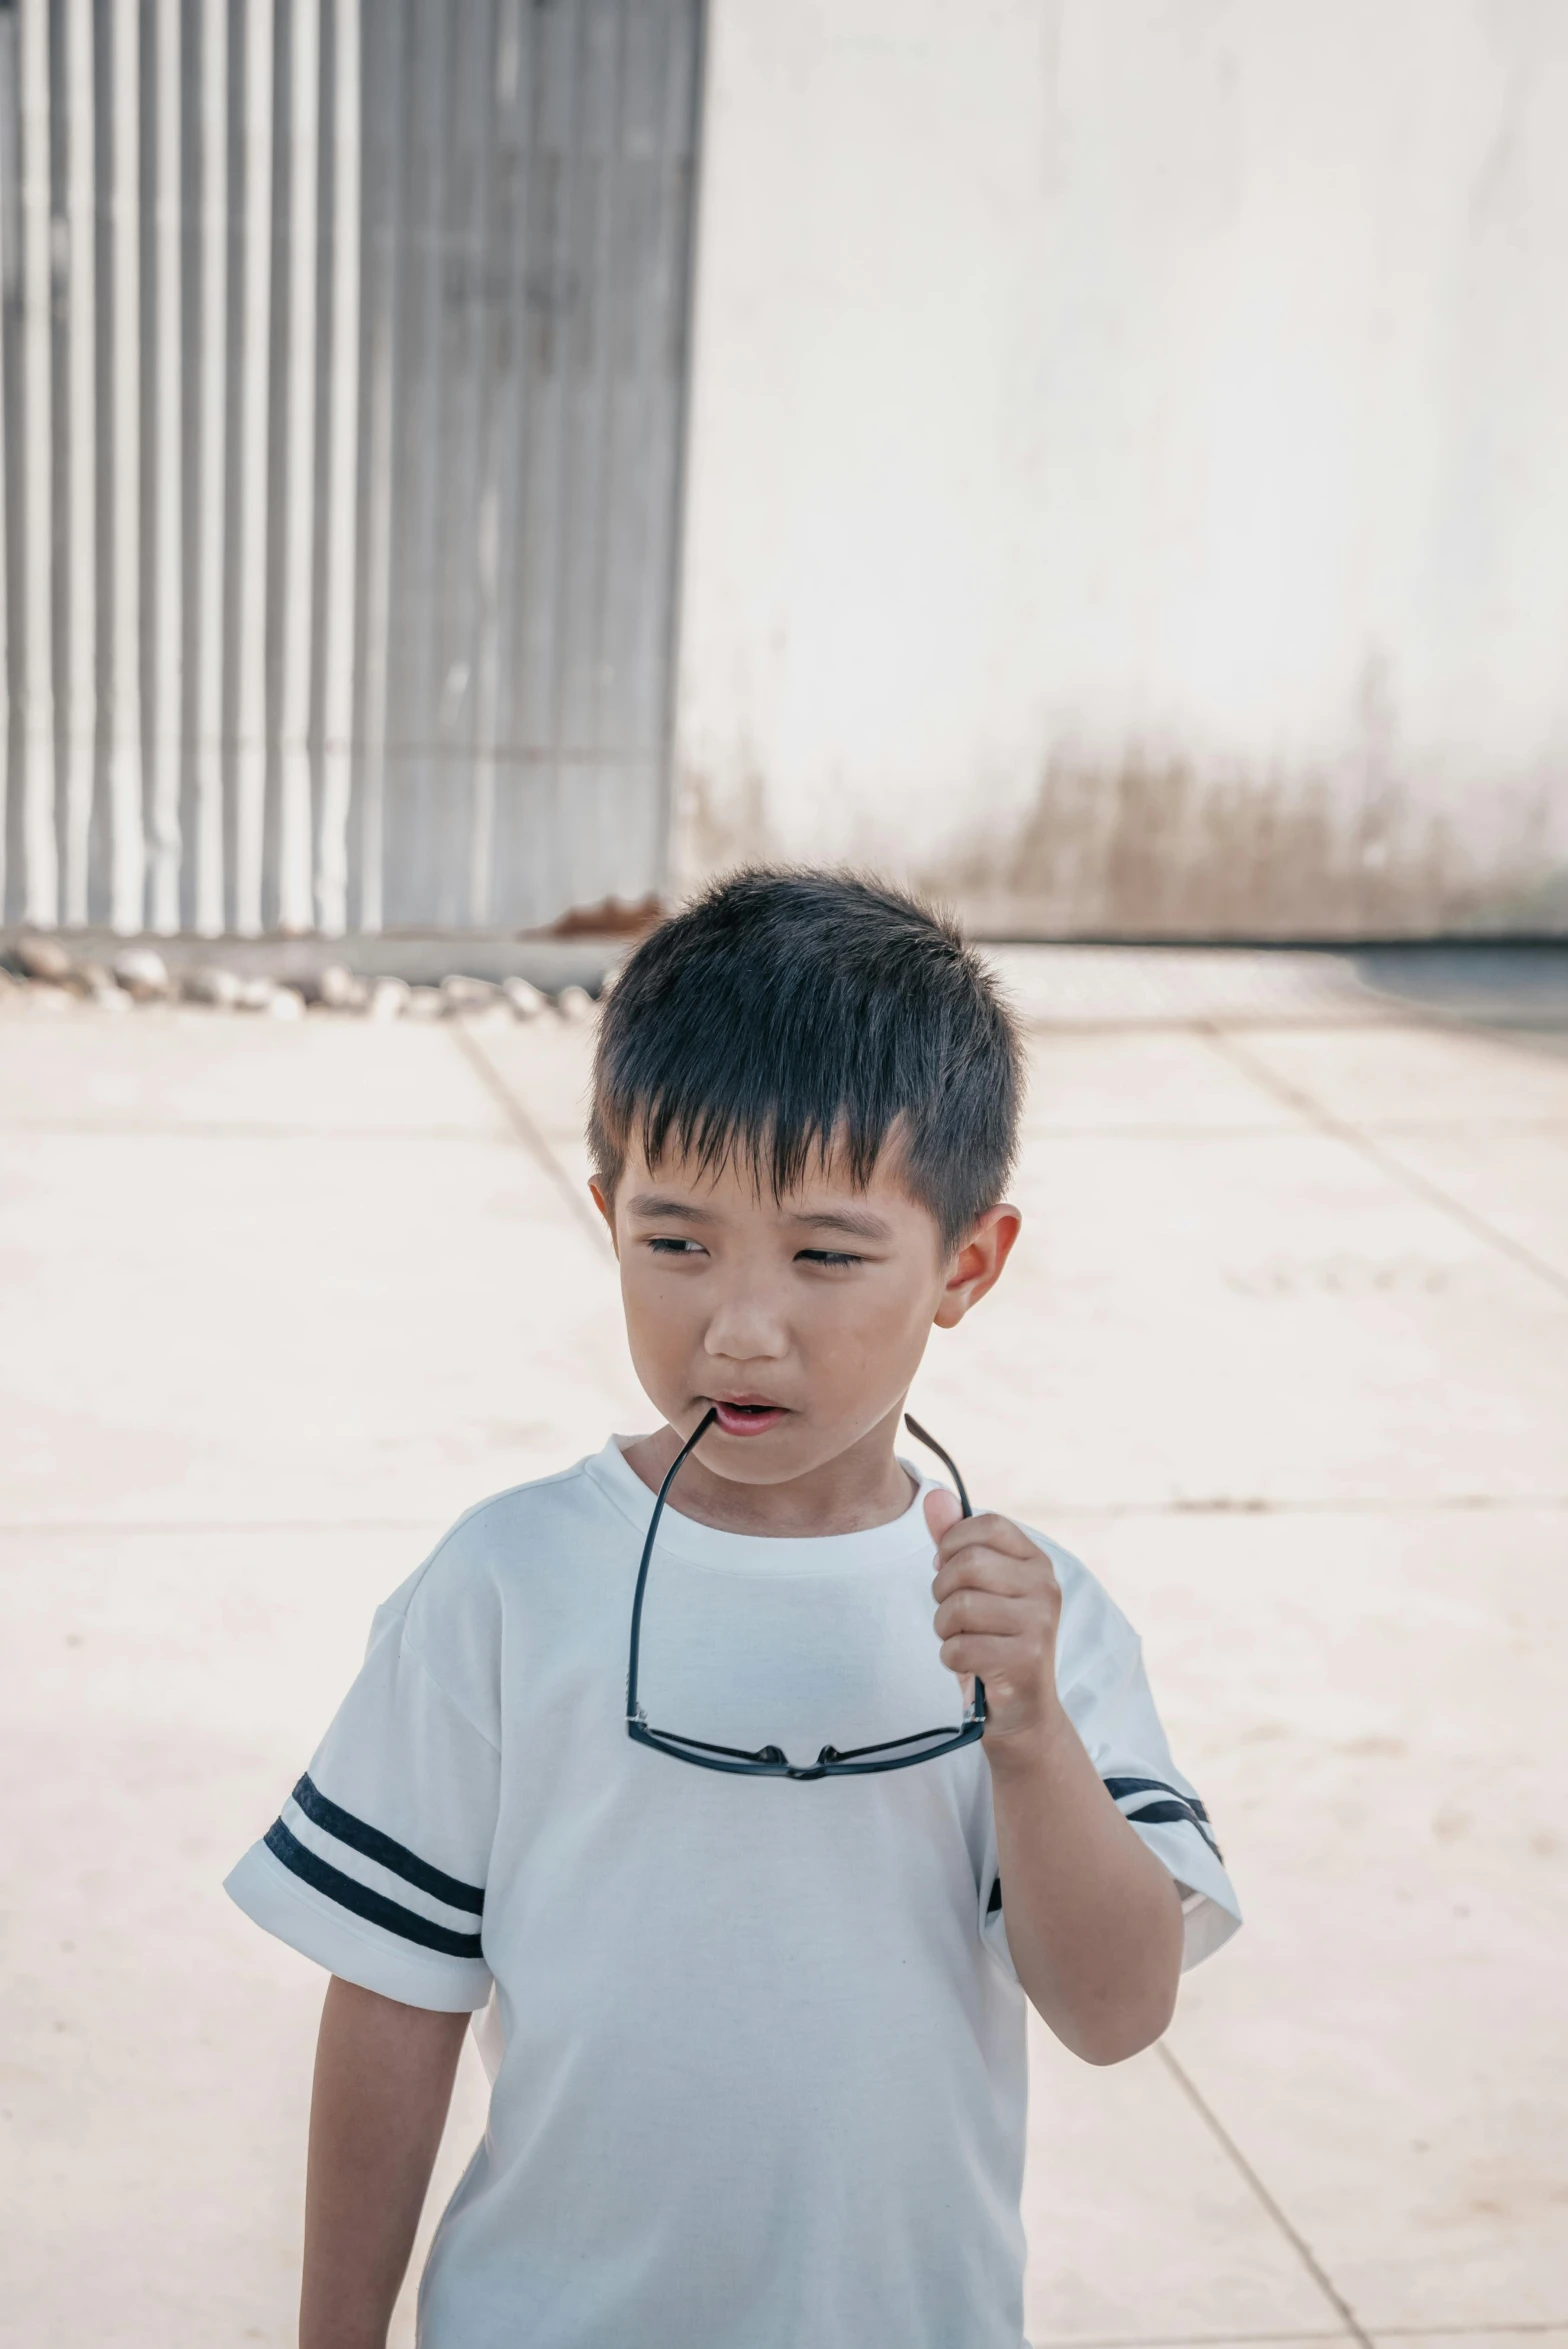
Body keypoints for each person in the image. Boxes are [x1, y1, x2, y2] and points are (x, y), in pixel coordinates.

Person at [225, 868, 1240, 2349]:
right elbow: (392, 1997)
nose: (740, 1328)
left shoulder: (1031, 1620)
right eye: (676, 1241)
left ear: (968, 1264)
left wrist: (1027, 1736)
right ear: (606, 1218)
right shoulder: (509, 1584)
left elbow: (1114, 2012)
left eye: (827, 1255)